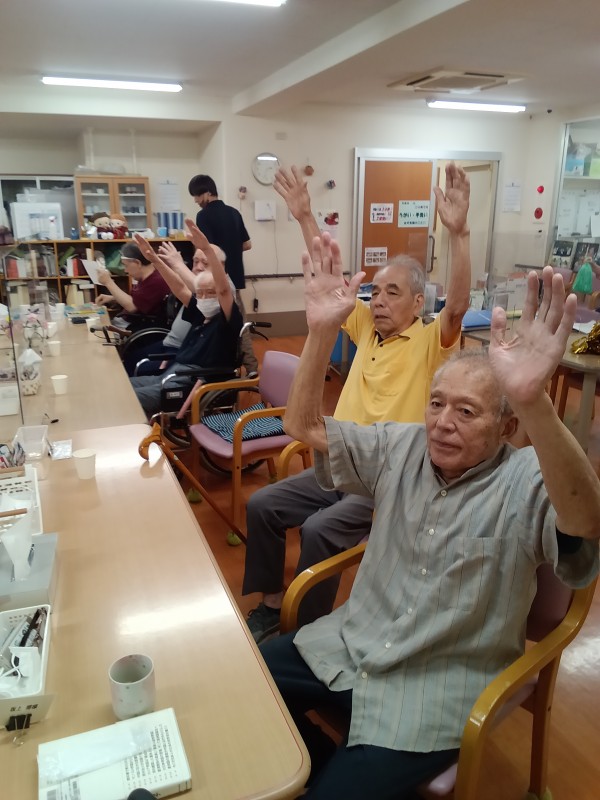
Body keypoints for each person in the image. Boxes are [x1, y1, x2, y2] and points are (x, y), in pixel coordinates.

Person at [261, 236, 600, 800]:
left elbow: (587, 522)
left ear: (506, 428)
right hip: (350, 645)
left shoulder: (525, 480)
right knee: (246, 690)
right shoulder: (403, 446)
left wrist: (534, 402)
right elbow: (304, 428)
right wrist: (320, 332)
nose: (442, 422)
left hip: (431, 690)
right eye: (437, 403)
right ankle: (317, 764)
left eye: (466, 411)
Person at [242, 163, 471, 640]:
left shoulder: (433, 340)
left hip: (387, 477)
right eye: (376, 291)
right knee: (263, 504)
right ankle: (271, 603)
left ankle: (304, 633)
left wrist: (458, 234)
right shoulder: (366, 327)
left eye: (393, 293)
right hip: (336, 461)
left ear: (417, 304)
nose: (379, 300)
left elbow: (457, 305)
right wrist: (304, 215)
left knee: (319, 530)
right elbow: (330, 283)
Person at [129, 220, 243, 417]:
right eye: (201, 293)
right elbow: (180, 288)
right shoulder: (201, 312)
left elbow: (223, 290)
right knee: (123, 386)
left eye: (211, 293)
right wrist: (155, 260)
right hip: (170, 374)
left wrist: (207, 249)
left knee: (128, 400)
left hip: (190, 382)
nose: (204, 297)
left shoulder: (226, 320)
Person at [188, 173, 258, 374]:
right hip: (235, 277)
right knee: (239, 325)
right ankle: (251, 369)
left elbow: (205, 250)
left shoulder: (203, 216)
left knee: (215, 327)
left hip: (215, 281)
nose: (196, 201)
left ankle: (221, 368)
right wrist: (230, 251)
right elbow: (247, 244)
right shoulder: (234, 213)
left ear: (207, 193)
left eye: (197, 196)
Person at [126, 242, 229, 377]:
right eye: (195, 262)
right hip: (174, 346)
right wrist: (156, 261)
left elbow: (193, 288)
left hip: (184, 356)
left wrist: (176, 264)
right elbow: (181, 289)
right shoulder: (197, 298)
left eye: (205, 263)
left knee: (133, 374)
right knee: (128, 359)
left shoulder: (224, 294)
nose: (198, 267)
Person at [96, 242, 170, 331]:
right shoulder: (145, 277)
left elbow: (132, 307)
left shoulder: (156, 281)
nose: (125, 270)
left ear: (137, 263)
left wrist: (108, 282)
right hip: (127, 322)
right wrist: (113, 298)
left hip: (135, 326)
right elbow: (138, 301)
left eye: (126, 265)